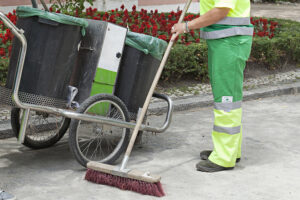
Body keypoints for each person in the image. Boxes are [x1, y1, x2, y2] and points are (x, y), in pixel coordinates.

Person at [172, 0, 253, 172]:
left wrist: (187, 26)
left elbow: (221, 10)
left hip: (229, 42)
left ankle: (224, 157)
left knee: (226, 101)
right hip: (226, 41)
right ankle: (229, 151)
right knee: (229, 100)